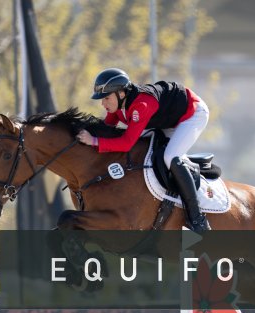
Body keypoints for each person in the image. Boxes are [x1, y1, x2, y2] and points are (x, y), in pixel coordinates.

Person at [76, 68, 211, 231]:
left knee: (170, 156)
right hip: (166, 120)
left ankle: (197, 218)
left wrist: (94, 141)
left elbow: (126, 143)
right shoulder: (118, 106)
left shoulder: (141, 105)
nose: (103, 104)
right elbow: (106, 128)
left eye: (106, 98)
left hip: (192, 114)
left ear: (121, 93)